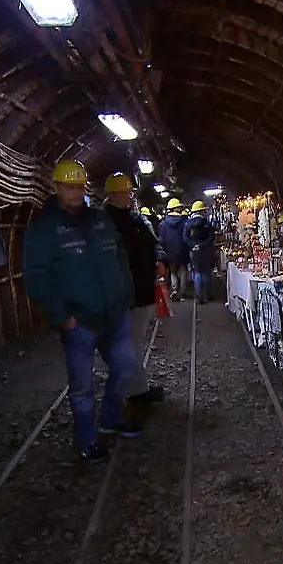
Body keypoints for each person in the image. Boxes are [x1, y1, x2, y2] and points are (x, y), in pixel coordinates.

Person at [23, 160, 140, 464]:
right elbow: (37, 276)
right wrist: (61, 316)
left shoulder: (100, 220)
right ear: (57, 188)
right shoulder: (45, 229)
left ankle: (110, 417)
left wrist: (125, 294)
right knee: (82, 386)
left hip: (114, 313)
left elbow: (120, 257)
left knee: (126, 365)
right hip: (79, 320)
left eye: (79, 186)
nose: (75, 192)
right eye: (68, 186)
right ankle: (88, 440)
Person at [102, 172, 166, 404]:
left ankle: (137, 388)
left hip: (142, 289)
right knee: (129, 343)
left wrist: (159, 259)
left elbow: (154, 243)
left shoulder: (136, 219)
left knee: (135, 341)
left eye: (129, 192)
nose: (129, 196)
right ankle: (135, 391)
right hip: (121, 293)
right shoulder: (103, 224)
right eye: (125, 193)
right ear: (112, 195)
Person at [183, 200, 218, 304]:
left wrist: (193, 245)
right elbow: (211, 237)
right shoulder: (206, 223)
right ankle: (208, 295)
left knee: (197, 272)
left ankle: (199, 297)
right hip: (206, 250)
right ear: (202, 211)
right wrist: (202, 245)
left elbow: (185, 238)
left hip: (194, 252)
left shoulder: (188, 224)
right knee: (207, 272)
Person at [158, 198, 190, 301]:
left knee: (173, 271)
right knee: (183, 270)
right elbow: (187, 236)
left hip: (170, 251)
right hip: (183, 250)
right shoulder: (184, 222)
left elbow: (161, 239)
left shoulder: (163, 224)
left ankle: (175, 289)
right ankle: (183, 292)